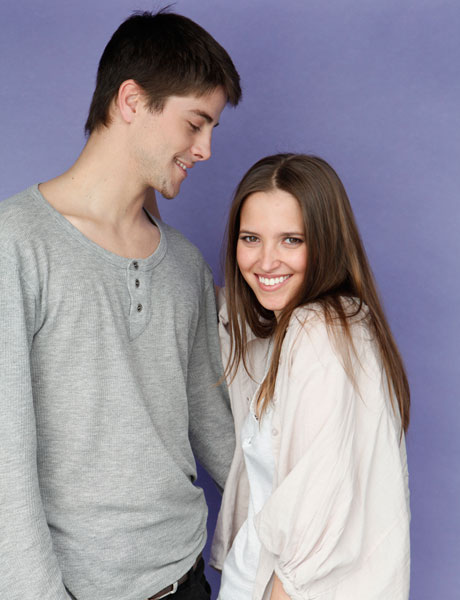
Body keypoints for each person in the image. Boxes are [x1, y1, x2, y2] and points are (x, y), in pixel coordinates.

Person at [0, 10, 241, 600]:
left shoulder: (184, 265)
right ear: (132, 100)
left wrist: (307, 518)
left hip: (187, 580)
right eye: (196, 123)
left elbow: (216, 430)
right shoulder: (15, 244)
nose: (206, 149)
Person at [211, 154, 411, 599]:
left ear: (326, 243)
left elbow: (321, 502)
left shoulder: (317, 329)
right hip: (254, 578)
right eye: (250, 238)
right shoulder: (299, 329)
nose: (266, 261)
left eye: (291, 240)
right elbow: (215, 308)